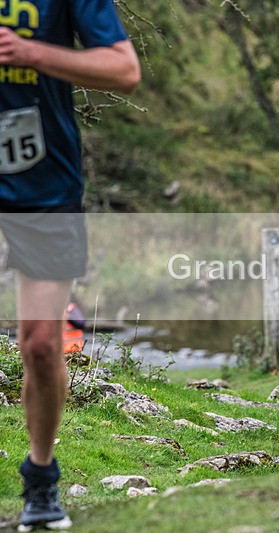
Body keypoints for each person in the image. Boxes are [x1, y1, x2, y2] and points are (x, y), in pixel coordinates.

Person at [0, 3, 140, 530]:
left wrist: (28, 52)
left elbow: (124, 69)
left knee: (40, 345)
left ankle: (41, 478)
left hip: (43, 184)